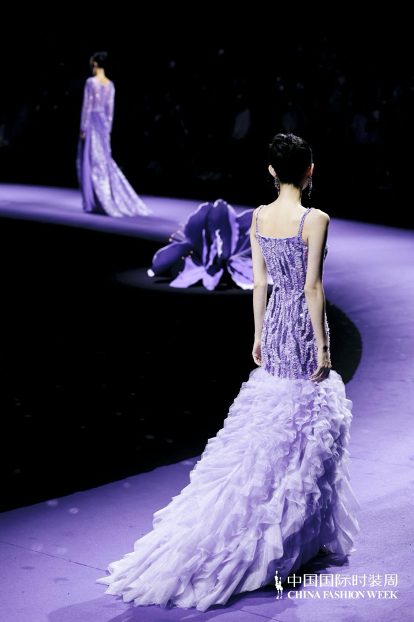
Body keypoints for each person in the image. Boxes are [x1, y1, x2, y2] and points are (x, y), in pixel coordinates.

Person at [95, 133, 360, 611]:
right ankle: (287, 532)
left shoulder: (258, 217)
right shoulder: (315, 218)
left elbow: (258, 283)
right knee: (304, 421)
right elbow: (313, 287)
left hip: (274, 322)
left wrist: (257, 334)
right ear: (310, 170)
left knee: (277, 421)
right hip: (302, 327)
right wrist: (323, 346)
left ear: (272, 172)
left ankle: (281, 525)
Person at [76, 51, 152, 217]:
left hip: (92, 122)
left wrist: (83, 127)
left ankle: (95, 200)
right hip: (103, 124)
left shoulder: (91, 82)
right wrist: (108, 130)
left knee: (90, 161)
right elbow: (110, 110)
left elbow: (87, 106)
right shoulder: (110, 84)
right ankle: (101, 198)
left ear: (95, 64)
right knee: (103, 161)